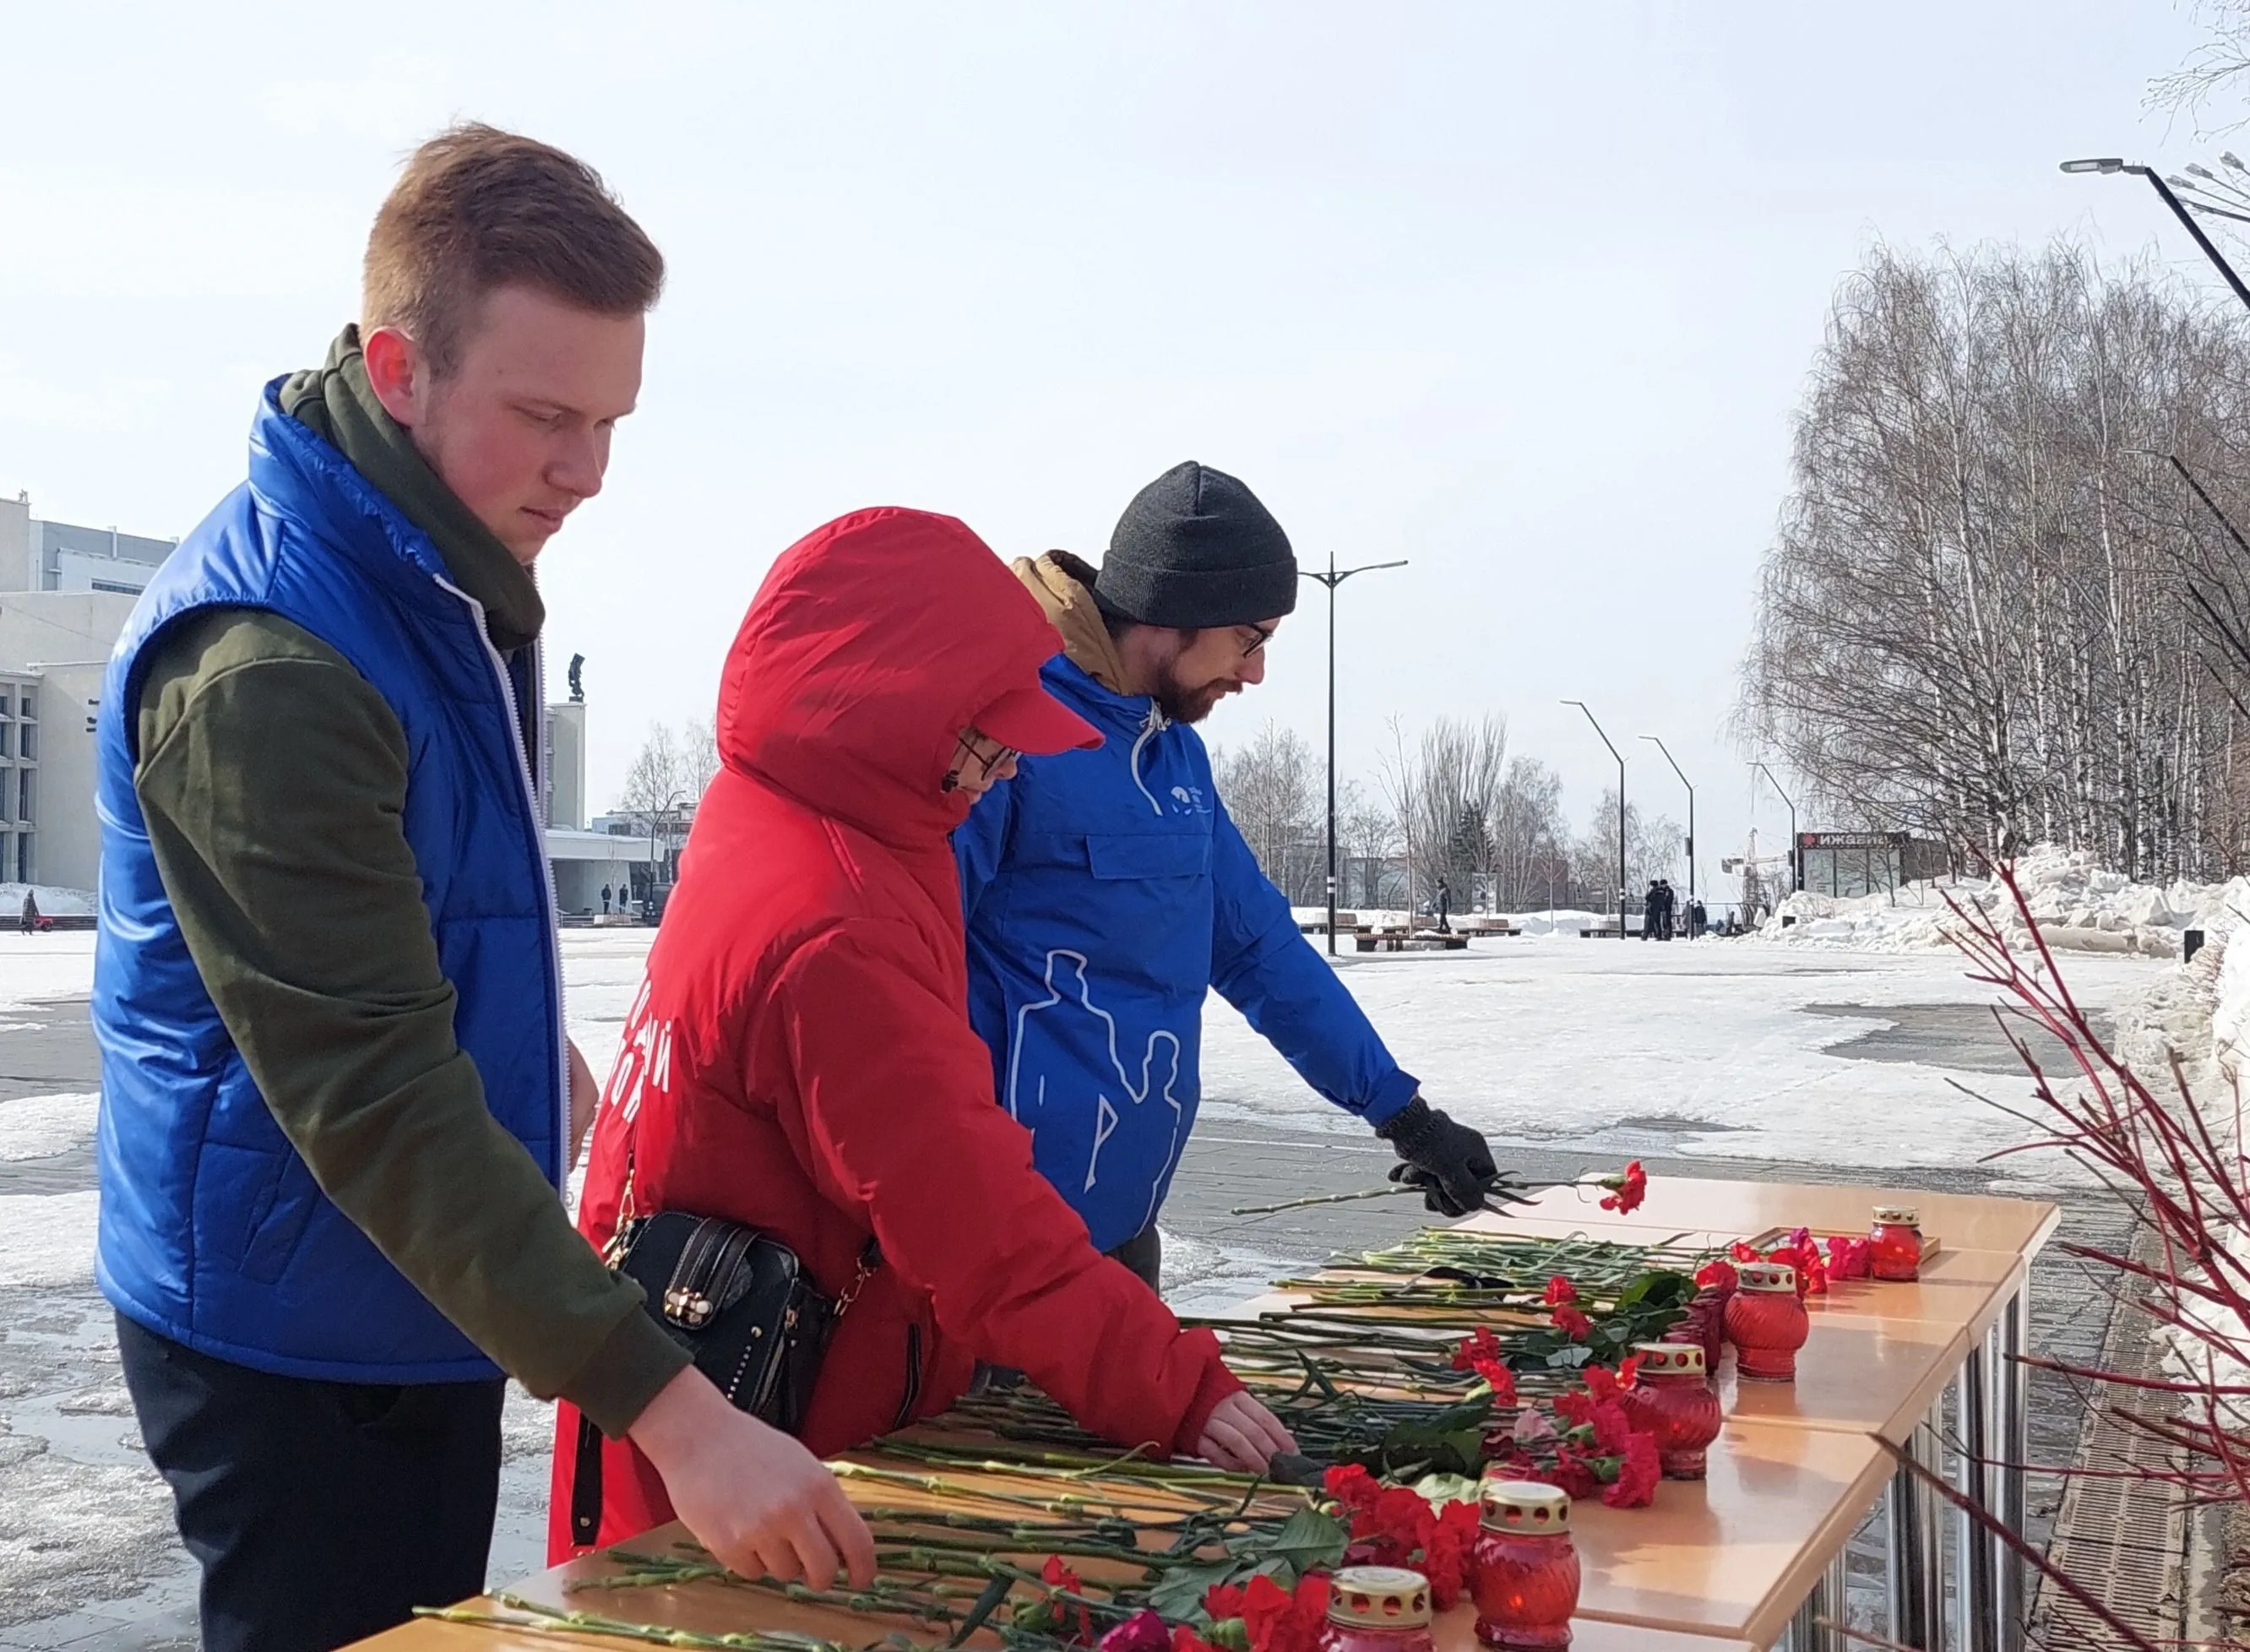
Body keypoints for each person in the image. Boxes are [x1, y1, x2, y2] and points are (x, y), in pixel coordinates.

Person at [92, 126, 867, 1652]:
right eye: (545, 416)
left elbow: (423, 906)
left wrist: (529, 1055)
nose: (585, 472)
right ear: (398, 369)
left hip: (419, 1284)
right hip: (294, 1322)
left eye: (610, 419)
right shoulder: (271, 666)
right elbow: (370, 1090)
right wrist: (679, 1415)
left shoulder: (439, 562)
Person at [555, 507, 1295, 1557]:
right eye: (988, 740)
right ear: (900, 711)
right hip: (764, 1452)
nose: (1003, 773)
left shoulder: (801, 808)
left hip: (715, 1397)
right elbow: (970, 1218)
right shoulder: (833, 923)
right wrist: (1178, 1390)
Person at [955, 463, 1505, 1285]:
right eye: (1249, 639)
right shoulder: (1008, 734)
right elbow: (904, 967)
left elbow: (1259, 951)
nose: (1254, 672)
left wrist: (1405, 1116)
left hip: (1126, 1235)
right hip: (998, 1249)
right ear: (1176, 615)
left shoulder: (1174, 759)